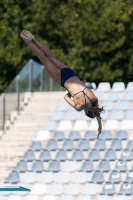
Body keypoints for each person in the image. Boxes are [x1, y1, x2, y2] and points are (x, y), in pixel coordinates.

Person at [20, 30, 104, 138]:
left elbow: (97, 111)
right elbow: (66, 97)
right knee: (44, 60)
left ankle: (33, 39)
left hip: (71, 73)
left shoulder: (94, 98)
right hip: (63, 79)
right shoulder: (79, 106)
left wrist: (100, 126)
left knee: (50, 57)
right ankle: (28, 42)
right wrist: (71, 93)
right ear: (86, 111)